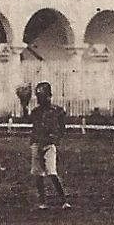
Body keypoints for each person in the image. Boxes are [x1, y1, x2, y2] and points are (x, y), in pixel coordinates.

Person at [28, 81, 71, 210]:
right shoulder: (35, 112)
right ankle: (43, 201)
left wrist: (56, 138)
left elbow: (62, 128)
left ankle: (63, 200)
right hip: (37, 143)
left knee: (52, 172)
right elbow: (29, 122)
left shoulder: (57, 111)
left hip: (49, 144)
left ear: (49, 96)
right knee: (38, 174)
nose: (41, 99)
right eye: (39, 97)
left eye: (44, 96)